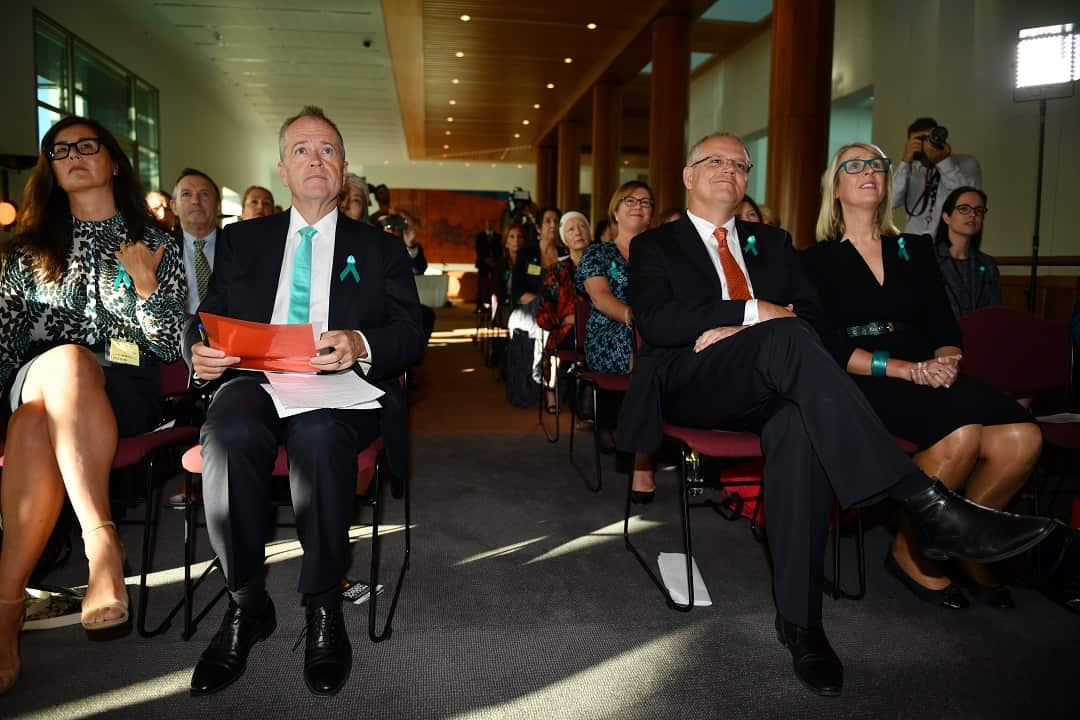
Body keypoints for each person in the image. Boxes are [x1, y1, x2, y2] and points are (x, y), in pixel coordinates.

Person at [617, 131, 1055, 697]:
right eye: (715, 161)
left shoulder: (772, 241)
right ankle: (919, 498)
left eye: (740, 163)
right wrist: (750, 312)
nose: (729, 169)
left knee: (798, 422)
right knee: (786, 335)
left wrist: (755, 325)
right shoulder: (657, 245)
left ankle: (800, 622)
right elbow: (657, 321)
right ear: (687, 175)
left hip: (772, 383)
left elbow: (816, 314)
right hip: (694, 380)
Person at [184, 106, 425, 697]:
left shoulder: (380, 248)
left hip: (337, 385)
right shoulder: (242, 241)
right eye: (301, 150)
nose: (315, 160)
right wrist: (200, 350)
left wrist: (360, 341)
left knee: (319, 436)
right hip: (255, 378)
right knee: (228, 433)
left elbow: (412, 331)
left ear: (342, 170)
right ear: (283, 170)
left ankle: (323, 604)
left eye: (327, 151)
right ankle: (246, 602)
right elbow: (205, 320)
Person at [803, 143, 1041, 610]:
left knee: (1023, 436)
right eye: (854, 165)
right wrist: (906, 370)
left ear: (888, 182)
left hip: (929, 369)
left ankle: (966, 544)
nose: (868, 171)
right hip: (865, 375)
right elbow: (827, 345)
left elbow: (943, 324)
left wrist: (946, 362)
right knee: (961, 436)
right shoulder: (812, 260)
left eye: (877, 164)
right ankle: (911, 553)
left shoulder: (912, 248)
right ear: (836, 187)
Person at [0, 115, 186, 694]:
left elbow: (165, 346)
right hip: (35, 376)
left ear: (113, 161)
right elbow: (4, 350)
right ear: (50, 171)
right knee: (69, 363)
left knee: (36, 427)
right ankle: (100, 539)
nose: (73, 155)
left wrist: (149, 289)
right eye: (59, 151)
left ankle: (4, 612)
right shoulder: (25, 253)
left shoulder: (155, 243)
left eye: (86, 146)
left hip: (125, 391)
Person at [576, 181, 655, 502]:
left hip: (654, 333)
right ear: (615, 211)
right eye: (630, 200)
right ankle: (642, 462)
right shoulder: (598, 252)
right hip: (611, 332)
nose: (638, 205)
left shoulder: (659, 255)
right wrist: (635, 319)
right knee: (649, 352)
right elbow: (600, 298)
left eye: (646, 202)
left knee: (666, 349)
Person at [536, 211, 590, 411]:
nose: (578, 232)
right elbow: (544, 314)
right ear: (564, 239)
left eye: (582, 226)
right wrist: (568, 319)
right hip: (566, 331)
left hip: (596, 331)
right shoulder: (556, 271)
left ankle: (590, 397)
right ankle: (553, 390)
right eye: (571, 229)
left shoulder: (603, 266)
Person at [892, 117, 982, 237]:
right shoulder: (910, 172)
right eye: (920, 140)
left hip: (951, 247)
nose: (925, 145)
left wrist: (943, 162)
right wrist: (905, 161)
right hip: (913, 245)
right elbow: (891, 202)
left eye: (928, 139)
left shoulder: (966, 163)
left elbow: (967, 200)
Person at [933, 186, 1001, 317]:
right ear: (946, 217)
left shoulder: (988, 265)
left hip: (979, 334)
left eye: (979, 210)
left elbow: (995, 314)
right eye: (964, 209)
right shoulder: (928, 259)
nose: (973, 214)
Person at [172, 168, 222, 315]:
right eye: (186, 194)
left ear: (218, 206)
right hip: (178, 333)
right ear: (173, 206)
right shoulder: (161, 249)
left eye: (204, 194)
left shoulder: (237, 247)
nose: (195, 201)